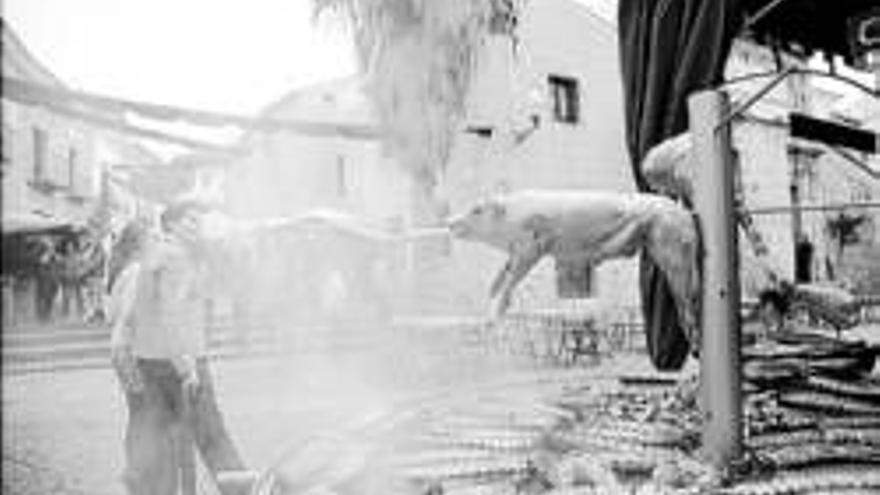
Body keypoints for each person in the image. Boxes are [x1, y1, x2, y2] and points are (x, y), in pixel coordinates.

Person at [109, 200, 248, 495]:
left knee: (158, 439)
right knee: (212, 435)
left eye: (200, 222)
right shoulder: (175, 257)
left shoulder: (158, 255)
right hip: (181, 359)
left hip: (150, 360)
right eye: (190, 221)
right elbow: (169, 314)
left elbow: (161, 306)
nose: (197, 228)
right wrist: (187, 368)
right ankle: (243, 491)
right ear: (171, 224)